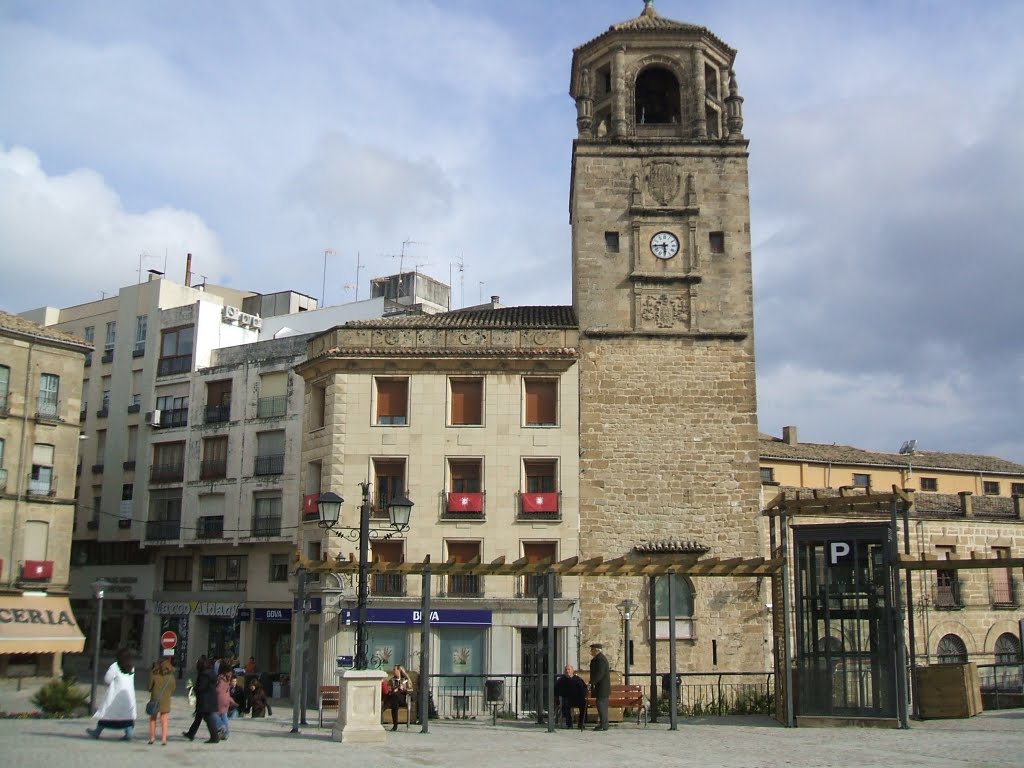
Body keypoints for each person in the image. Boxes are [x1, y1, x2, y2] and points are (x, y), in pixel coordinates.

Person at [87, 648, 138, 740]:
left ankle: (97, 732)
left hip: (115, 695)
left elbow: (107, 679)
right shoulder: (131, 667)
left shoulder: (115, 666)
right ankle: (129, 733)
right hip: (128, 696)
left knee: (107, 714)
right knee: (127, 717)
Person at [182, 658, 221, 744]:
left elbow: (201, 687)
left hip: (205, 700)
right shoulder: (212, 673)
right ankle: (191, 733)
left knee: (208, 718)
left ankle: (215, 737)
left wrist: (192, 688)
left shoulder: (204, 675)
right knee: (198, 717)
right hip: (210, 699)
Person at [146, 658, 176, 745]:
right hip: (166, 699)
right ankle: (164, 739)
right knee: (164, 719)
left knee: (153, 718)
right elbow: (173, 688)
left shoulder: (154, 674)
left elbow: (149, 687)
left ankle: (152, 738)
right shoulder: (171, 676)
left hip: (155, 698)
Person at [554, 664, 588, 730]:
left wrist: (583, 694)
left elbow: (583, 688)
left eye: (569, 669)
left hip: (577, 698)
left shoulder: (577, 679)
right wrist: (557, 698)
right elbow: (556, 689)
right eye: (566, 670)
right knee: (566, 705)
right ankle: (569, 724)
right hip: (566, 698)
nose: (567, 671)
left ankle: (581, 724)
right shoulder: (561, 680)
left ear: (572, 671)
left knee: (584, 705)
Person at [588, 643, 610, 732]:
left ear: (596, 650)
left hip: (602, 688)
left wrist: (592, 682)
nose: (591, 651)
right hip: (600, 688)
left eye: (592, 650)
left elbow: (599, 673)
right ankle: (603, 723)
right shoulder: (598, 659)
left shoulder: (600, 660)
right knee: (601, 705)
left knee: (601, 705)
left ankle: (603, 724)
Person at [381, 664, 411, 731]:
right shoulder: (392, 680)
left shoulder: (405, 680)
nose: (393, 671)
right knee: (394, 698)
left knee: (394, 697)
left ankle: (382, 711)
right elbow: (389, 690)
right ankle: (395, 725)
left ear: (399, 670)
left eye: (394, 670)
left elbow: (410, 690)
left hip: (403, 699)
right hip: (394, 700)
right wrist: (394, 689)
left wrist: (403, 689)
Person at [214, 667, 233, 740]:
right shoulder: (229, 677)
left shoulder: (221, 678)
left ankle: (221, 725)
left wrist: (213, 690)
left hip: (220, 699)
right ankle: (226, 733)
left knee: (213, 714)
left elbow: (218, 689)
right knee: (224, 715)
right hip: (227, 698)